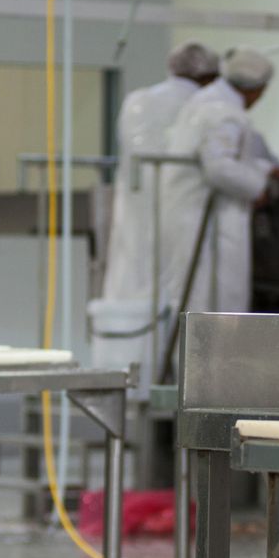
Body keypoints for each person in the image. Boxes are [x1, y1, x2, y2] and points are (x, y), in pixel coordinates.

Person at [93, 43, 221, 383]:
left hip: (137, 214)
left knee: (135, 292)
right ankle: (181, 380)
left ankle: (134, 378)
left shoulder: (139, 101)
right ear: (210, 75)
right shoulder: (207, 106)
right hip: (186, 217)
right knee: (186, 296)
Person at [156, 46, 279, 314]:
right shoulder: (222, 112)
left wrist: (262, 168)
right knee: (213, 300)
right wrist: (258, 188)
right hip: (208, 220)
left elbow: (219, 154)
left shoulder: (205, 102)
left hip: (190, 215)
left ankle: (203, 353)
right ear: (255, 89)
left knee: (197, 298)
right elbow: (219, 166)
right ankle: (214, 356)